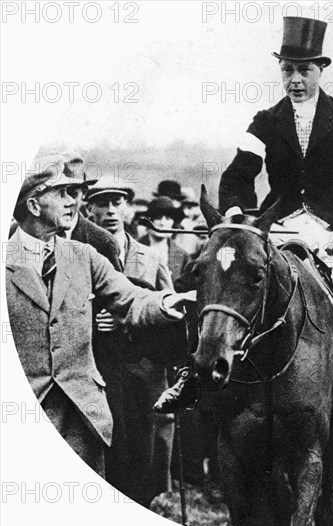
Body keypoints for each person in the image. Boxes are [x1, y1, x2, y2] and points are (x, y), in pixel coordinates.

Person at [158, 16, 333, 432]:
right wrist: (236, 220)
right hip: (274, 226)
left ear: (321, 70)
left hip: (331, 228)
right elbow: (236, 177)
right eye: (287, 70)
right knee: (224, 277)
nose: (295, 79)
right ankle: (192, 375)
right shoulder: (265, 120)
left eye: (304, 70)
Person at [6, 158, 197, 476]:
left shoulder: (83, 256)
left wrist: (172, 302)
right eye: (62, 193)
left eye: (73, 192)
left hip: (85, 422)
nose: (73, 201)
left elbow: (132, 298)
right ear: (34, 205)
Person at [85, 176, 182, 506]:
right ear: (89, 209)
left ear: (126, 207)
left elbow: (168, 312)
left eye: (117, 202)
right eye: (102, 203)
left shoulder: (150, 257)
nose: (111, 210)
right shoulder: (84, 253)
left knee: (152, 434)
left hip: (144, 364)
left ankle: (149, 499)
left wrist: (127, 320)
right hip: (102, 365)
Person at [140, 196, 190, 286]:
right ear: (149, 221)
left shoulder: (182, 256)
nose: (162, 223)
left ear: (173, 223)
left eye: (168, 218)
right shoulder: (134, 247)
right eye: (158, 218)